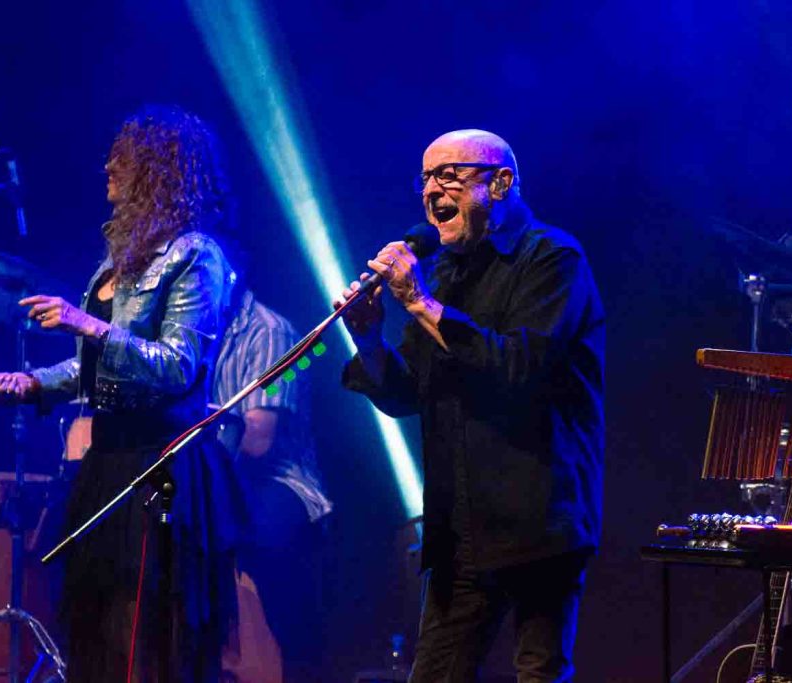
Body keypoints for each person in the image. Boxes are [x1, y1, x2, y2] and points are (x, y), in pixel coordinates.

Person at [0, 105, 240, 682]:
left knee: (142, 629)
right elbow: (95, 365)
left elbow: (177, 366)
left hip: (162, 463)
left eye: (120, 158)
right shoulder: (115, 262)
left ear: (156, 169)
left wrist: (86, 323)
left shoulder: (196, 255)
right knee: (96, 627)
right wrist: (32, 384)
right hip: (108, 462)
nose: (106, 168)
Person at [336, 129, 604, 682]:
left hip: (538, 519)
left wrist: (418, 301)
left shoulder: (554, 259)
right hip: (460, 531)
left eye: (449, 175)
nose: (433, 190)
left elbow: (518, 367)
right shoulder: (447, 274)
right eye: (426, 178)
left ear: (501, 183)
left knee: (540, 674)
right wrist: (369, 339)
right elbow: (410, 394)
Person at [212, 270, 332, 682]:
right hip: (218, 482)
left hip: (280, 482)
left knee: (259, 529)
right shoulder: (194, 334)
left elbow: (258, 439)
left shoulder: (270, 331)